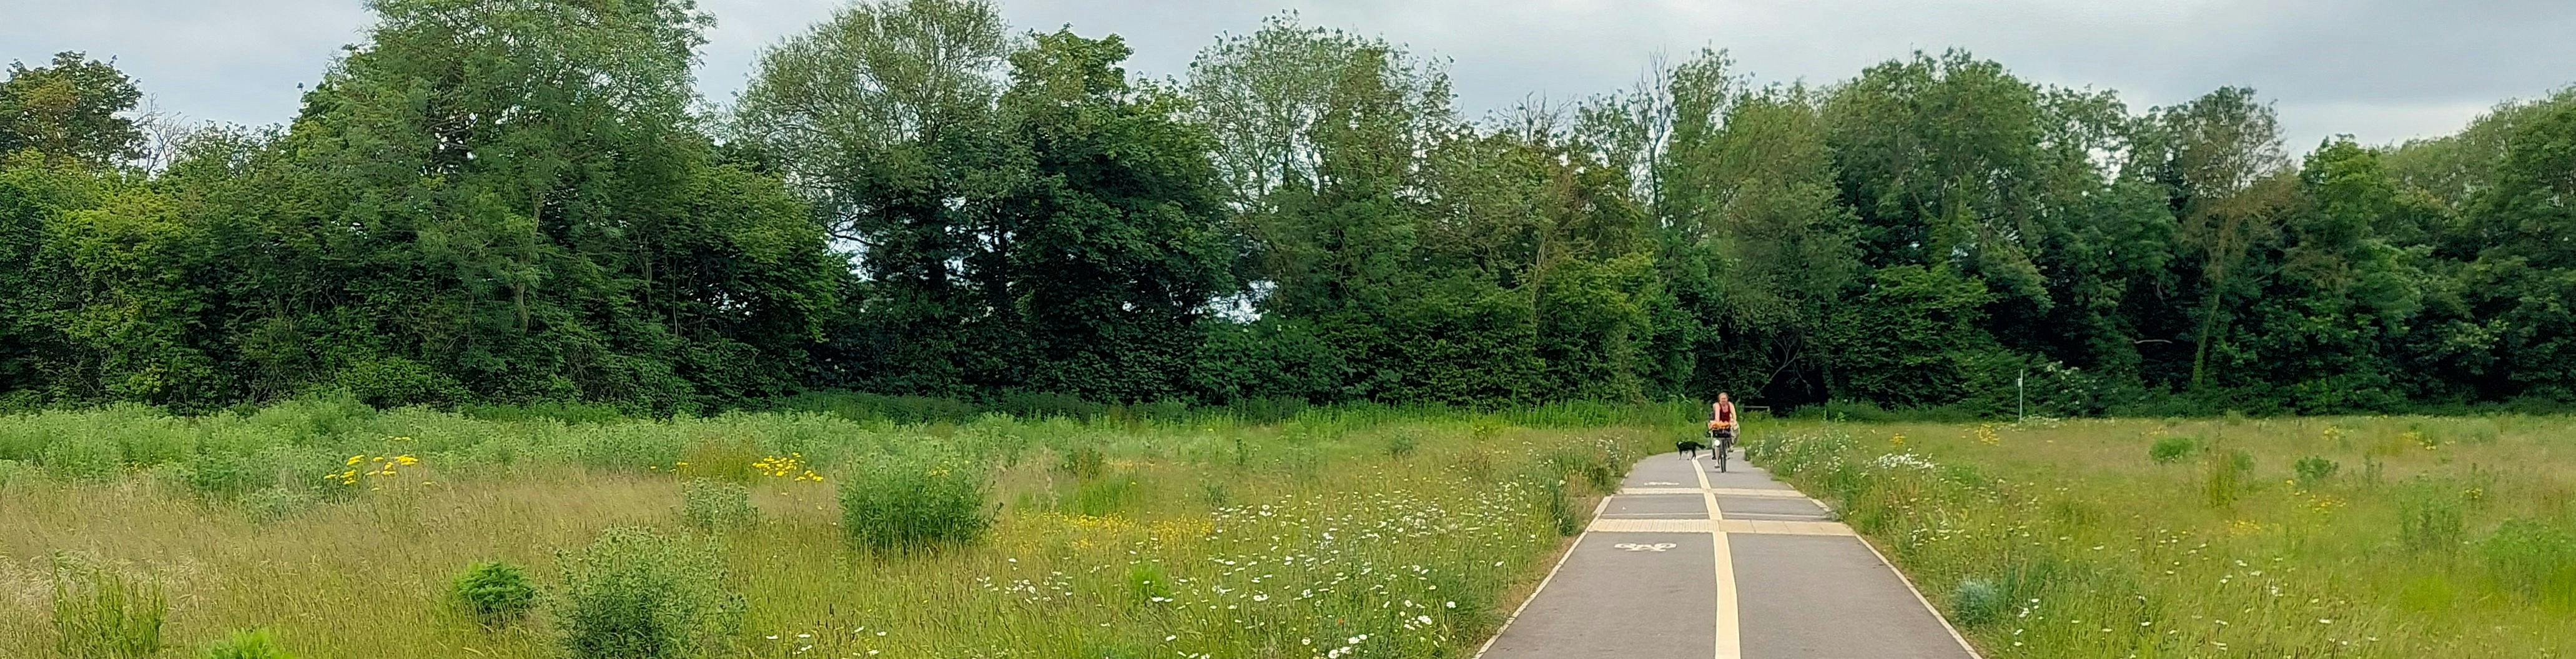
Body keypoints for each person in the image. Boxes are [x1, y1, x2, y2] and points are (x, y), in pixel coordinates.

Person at [1707, 393, 1739, 468]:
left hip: (1728, 422)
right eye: (1722, 399)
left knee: (1736, 429)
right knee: (1716, 442)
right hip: (1719, 423)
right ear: (1719, 400)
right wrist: (1718, 424)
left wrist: (1734, 421)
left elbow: (1734, 415)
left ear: (1727, 399)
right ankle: (1717, 461)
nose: (1724, 400)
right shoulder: (1717, 406)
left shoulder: (1730, 405)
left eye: (1725, 399)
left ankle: (1731, 445)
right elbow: (1717, 416)